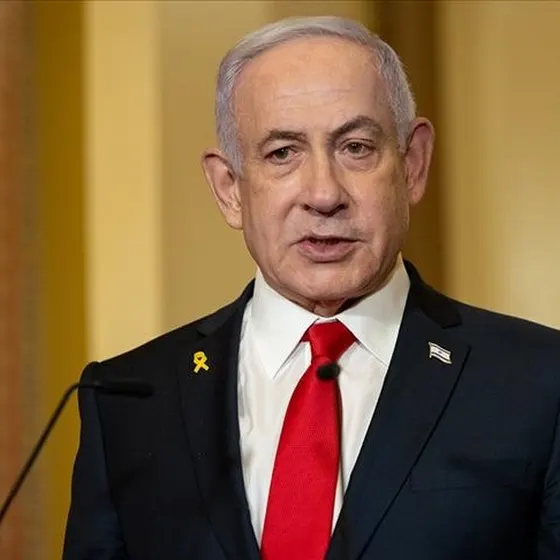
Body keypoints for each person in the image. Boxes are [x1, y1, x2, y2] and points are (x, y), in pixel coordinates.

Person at [63, 15, 560, 560]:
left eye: (356, 147)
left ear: (413, 165)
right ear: (229, 188)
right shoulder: (129, 400)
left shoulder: (540, 382)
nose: (324, 194)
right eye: (283, 153)